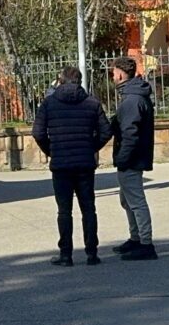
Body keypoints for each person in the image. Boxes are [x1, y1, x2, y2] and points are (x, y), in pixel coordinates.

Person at [31, 66, 113, 267]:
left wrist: (52, 150)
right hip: (85, 164)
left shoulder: (49, 103)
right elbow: (106, 132)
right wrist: (90, 147)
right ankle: (92, 253)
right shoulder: (92, 103)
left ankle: (66, 255)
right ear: (79, 81)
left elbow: (38, 133)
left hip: (61, 165)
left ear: (60, 81)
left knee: (64, 211)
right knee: (88, 208)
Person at [110, 57, 158, 261]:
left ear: (121, 74)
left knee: (136, 201)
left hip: (132, 158)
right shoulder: (133, 96)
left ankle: (146, 243)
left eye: (113, 73)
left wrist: (123, 158)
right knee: (127, 199)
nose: (112, 77)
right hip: (134, 156)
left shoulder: (132, 100)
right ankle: (136, 237)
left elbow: (130, 133)